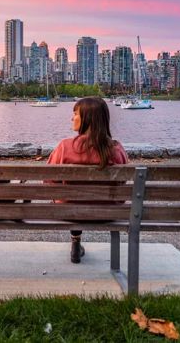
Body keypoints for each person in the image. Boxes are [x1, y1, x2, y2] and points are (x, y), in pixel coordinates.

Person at [47, 96, 129, 263]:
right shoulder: (117, 149)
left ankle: (75, 240)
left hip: (69, 211)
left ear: (87, 118)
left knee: (69, 199)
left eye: (75, 113)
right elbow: (122, 183)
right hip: (109, 212)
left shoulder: (64, 147)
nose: (72, 118)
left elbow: (49, 180)